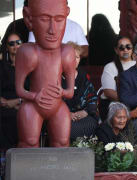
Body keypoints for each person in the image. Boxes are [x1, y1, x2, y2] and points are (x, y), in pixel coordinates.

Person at [15, 0, 76, 148]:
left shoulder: (66, 52)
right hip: (33, 106)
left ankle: (60, 171)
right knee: (29, 142)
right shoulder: (28, 52)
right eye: (44, 19)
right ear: (29, 19)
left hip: (58, 106)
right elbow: (19, 90)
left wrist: (63, 91)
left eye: (59, 19)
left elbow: (70, 92)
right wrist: (35, 96)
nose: (52, 30)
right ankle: (26, 171)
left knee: (62, 142)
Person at [62, 42, 98, 141]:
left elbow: (93, 98)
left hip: (84, 116)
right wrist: (67, 114)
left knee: (93, 126)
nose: (74, 60)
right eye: (71, 57)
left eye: (77, 57)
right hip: (62, 118)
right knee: (65, 129)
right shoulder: (56, 77)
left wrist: (85, 112)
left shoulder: (84, 76)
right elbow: (53, 102)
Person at [99, 35, 136, 120]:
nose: (125, 50)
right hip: (114, 105)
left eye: (128, 47)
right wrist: (132, 101)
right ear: (116, 50)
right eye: (121, 48)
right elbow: (109, 92)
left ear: (132, 48)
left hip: (135, 104)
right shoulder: (110, 67)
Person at [0, 33, 26, 148]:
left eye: (18, 43)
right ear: (7, 47)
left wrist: (17, 102)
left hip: (24, 104)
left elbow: (33, 90)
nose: (16, 46)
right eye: (11, 44)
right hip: (3, 104)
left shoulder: (29, 66)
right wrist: (4, 102)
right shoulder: (1, 67)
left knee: (19, 116)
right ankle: (5, 156)